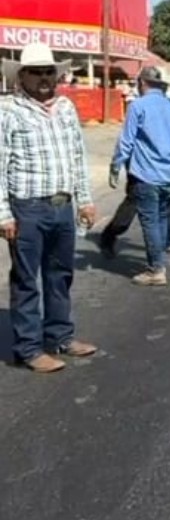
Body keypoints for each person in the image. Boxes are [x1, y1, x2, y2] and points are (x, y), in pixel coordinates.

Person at [0, 43, 97, 373]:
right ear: (22, 76)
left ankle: (60, 337)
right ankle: (28, 348)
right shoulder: (8, 111)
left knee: (60, 276)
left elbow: (77, 156)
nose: (44, 78)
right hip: (27, 209)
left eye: (49, 72)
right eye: (36, 72)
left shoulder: (66, 108)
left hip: (62, 206)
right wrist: (3, 214)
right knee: (27, 280)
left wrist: (85, 199)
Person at [109, 67, 170, 286]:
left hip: (146, 176)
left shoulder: (138, 106)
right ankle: (162, 255)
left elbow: (126, 141)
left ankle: (156, 269)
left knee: (151, 222)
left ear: (142, 83)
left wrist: (115, 167)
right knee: (163, 216)